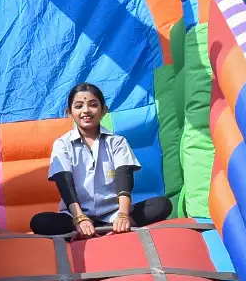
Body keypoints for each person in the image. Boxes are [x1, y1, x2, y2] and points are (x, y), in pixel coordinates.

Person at [31, 83, 172, 239]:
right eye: (78, 106)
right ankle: (87, 229)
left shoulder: (117, 142)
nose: (86, 110)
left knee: (162, 205)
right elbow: (64, 183)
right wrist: (79, 218)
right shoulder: (62, 144)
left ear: (104, 110)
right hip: (75, 217)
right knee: (39, 222)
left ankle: (116, 227)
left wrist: (123, 216)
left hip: (113, 214)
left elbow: (124, 178)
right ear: (69, 113)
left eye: (93, 105)